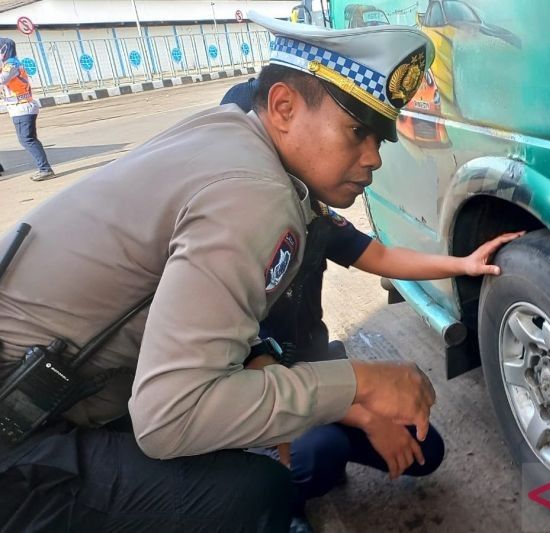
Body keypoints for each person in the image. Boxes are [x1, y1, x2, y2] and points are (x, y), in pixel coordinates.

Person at [0, 17, 440, 531]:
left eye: (380, 139)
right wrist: (358, 382)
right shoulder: (256, 193)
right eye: (357, 131)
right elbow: (170, 417)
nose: (373, 158)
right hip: (19, 432)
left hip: (64, 395)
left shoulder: (226, 136)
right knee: (250, 494)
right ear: (283, 108)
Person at [221, 75, 522, 533]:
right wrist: (365, 417)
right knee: (318, 454)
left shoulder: (310, 213)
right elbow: (258, 375)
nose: (372, 159)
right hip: (268, 404)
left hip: (321, 380)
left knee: (427, 451)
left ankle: (321, 446)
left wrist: (462, 262)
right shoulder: (222, 245)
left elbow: (380, 255)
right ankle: (280, 502)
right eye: (355, 133)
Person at [0, 37, 55, 182]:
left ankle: (45, 169)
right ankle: (44, 168)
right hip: (21, 107)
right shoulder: (10, 64)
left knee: (27, 139)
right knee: (28, 139)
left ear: (4, 49)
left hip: (22, 107)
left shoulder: (10, 65)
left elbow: (2, 79)